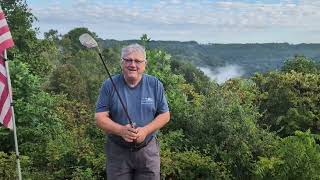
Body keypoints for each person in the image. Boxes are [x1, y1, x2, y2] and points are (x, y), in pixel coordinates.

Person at [95, 43, 170, 180]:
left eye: (137, 61)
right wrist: (121, 130)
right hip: (118, 152)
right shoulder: (109, 85)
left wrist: (145, 131)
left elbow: (165, 115)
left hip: (147, 151)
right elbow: (100, 117)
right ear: (121, 62)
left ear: (145, 64)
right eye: (128, 60)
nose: (132, 64)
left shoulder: (155, 84)